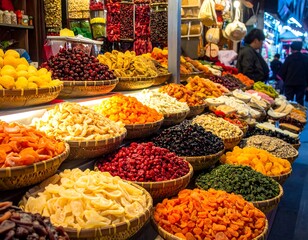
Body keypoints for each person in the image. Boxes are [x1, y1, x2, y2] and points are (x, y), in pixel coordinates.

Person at [278, 41, 308, 106]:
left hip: (289, 83)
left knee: (288, 101)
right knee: (300, 101)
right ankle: (300, 115)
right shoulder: (305, 58)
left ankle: (288, 115)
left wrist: (285, 80)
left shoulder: (289, 58)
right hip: (301, 84)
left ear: (291, 48)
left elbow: (283, 71)